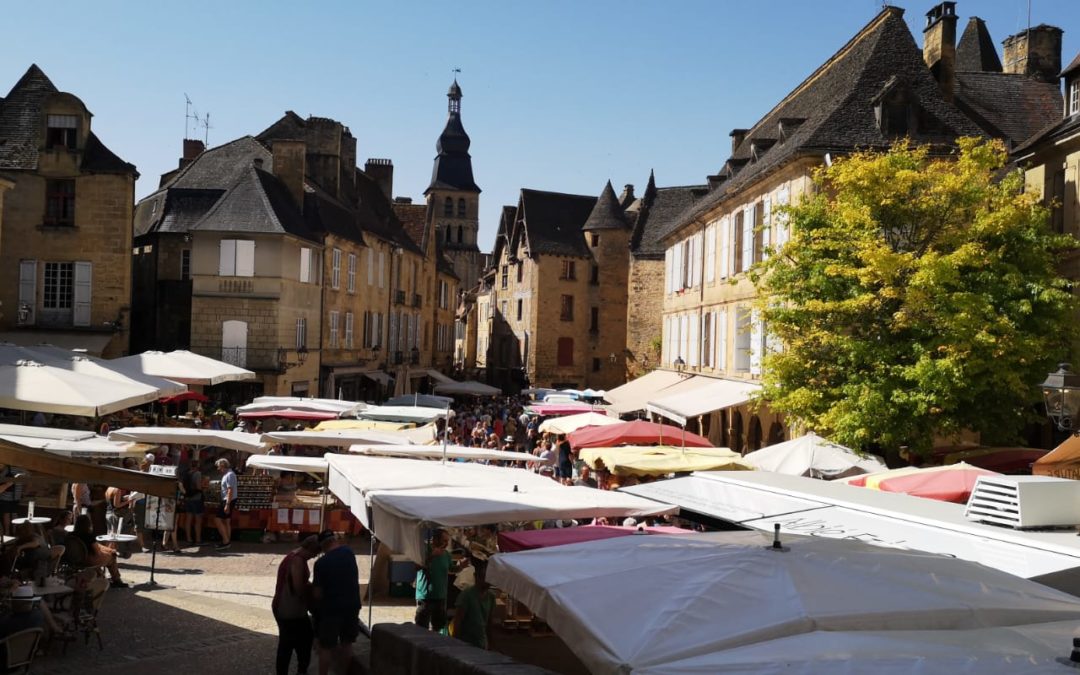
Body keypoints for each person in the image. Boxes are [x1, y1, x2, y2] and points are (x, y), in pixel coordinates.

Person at [311, 530, 360, 675]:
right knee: (347, 644)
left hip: (331, 609)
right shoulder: (349, 553)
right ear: (335, 540)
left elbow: (317, 594)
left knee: (326, 647)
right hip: (352, 606)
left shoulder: (321, 563)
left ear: (322, 546)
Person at [273, 535, 320, 675]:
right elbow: (299, 588)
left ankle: (291, 671)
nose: (314, 557)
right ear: (311, 550)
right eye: (315, 553)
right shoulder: (298, 561)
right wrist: (313, 592)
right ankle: (300, 671)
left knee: (289, 643)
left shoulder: (294, 555)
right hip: (289, 608)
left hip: (284, 606)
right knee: (299, 642)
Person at [64, 515, 128, 588]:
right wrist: (110, 553)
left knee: (110, 551)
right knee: (112, 556)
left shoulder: (70, 535)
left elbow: (97, 546)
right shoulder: (89, 536)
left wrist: (109, 550)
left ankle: (101, 575)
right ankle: (116, 580)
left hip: (75, 560)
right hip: (89, 560)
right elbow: (98, 552)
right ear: (88, 524)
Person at [452, 561, 495, 650]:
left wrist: (491, 644)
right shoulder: (466, 595)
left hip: (482, 643)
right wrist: (455, 645)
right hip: (466, 644)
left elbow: (489, 622)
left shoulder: (491, 596)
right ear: (476, 577)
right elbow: (458, 622)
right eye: (484, 578)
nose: (487, 581)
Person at [414, 528, 451, 633]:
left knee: (438, 627)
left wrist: (461, 567)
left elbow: (451, 569)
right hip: (425, 596)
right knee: (421, 628)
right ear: (435, 540)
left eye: (447, 541)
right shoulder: (424, 550)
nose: (446, 544)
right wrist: (431, 556)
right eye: (444, 541)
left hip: (440, 596)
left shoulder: (446, 554)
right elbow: (416, 567)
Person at [213, 458, 237, 551]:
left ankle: (226, 541)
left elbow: (230, 490)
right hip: (229, 499)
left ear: (223, 466)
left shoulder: (229, 475)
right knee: (226, 520)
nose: (218, 469)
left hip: (227, 500)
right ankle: (226, 541)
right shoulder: (228, 474)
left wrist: (227, 504)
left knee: (217, 519)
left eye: (219, 467)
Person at [182, 457, 205, 547]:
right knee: (198, 520)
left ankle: (189, 539)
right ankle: (198, 539)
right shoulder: (198, 473)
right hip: (196, 498)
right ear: (197, 465)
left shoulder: (186, 473)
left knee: (188, 519)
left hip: (187, 498)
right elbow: (198, 487)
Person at [0, 465, 25, 536]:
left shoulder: (7, 469)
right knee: (11, 513)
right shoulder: (23, 469)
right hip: (15, 495)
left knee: (10, 514)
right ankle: (12, 532)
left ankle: (9, 532)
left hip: (10, 495)